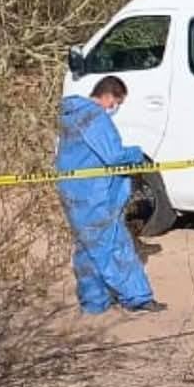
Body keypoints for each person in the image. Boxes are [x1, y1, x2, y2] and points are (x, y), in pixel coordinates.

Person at [55, 75, 165, 315]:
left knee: (88, 246)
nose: (116, 109)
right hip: (95, 193)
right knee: (115, 245)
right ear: (109, 96)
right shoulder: (95, 118)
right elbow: (113, 155)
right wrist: (137, 153)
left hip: (74, 191)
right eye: (118, 102)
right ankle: (137, 297)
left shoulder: (71, 116)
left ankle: (95, 301)